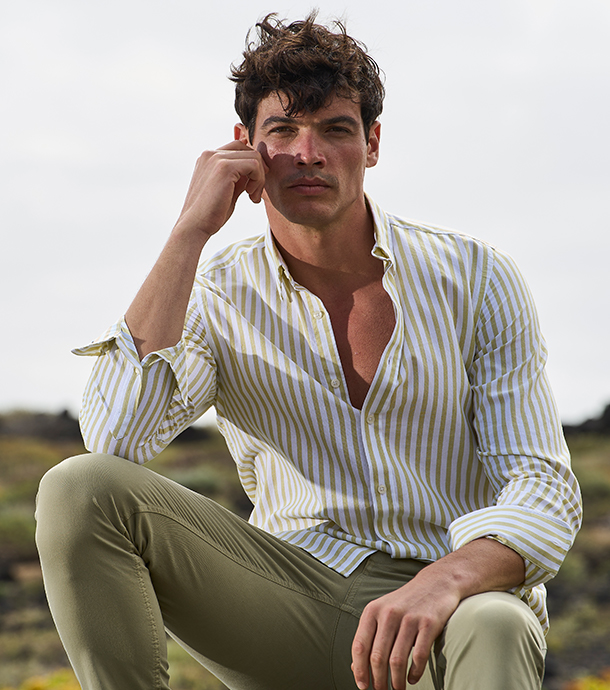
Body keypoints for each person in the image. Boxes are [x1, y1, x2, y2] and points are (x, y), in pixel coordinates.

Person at [35, 13, 582, 690]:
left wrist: (443, 581)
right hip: (291, 600)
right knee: (78, 488)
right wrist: (188, 232)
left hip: (451, 609)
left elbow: (542, 488)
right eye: (283, 130)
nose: (308, 153)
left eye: (335, 129)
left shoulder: (477, 277)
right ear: (245, 147)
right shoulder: (215, 294)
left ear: (372, 144)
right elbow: (116, 440)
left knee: (497, 622)